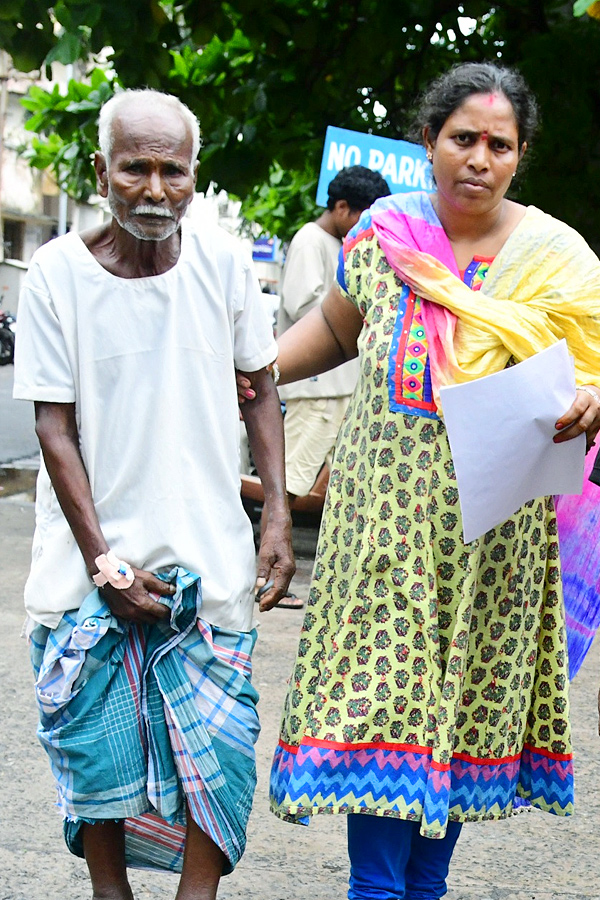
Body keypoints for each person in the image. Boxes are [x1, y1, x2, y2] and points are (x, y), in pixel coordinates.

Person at [244, 62, 600, 898]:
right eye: (463, 138)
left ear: (520, 156)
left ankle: (426, 889)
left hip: (495, 545)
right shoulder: (385, 233)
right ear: (430, 143)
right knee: (382, 713)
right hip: (384, 534)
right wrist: (249, 371)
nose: (479, 157)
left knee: (466, 713)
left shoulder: (558, 259)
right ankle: (377, 890)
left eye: (499, 145)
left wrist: (592, 398)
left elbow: (592, 367)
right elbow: (333, 329)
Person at [13, 89, 294, 900]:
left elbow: (260, 388)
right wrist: (106, 564)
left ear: (194, 178)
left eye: (173, 170)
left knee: (221, 754)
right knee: (94, 760)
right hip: (85, 576)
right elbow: (55, 431)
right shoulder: (57, 276)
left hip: (206, 568)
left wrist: (274, 512)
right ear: (101, 172)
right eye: (135, 167)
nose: (154, 188)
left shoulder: (224, 266)